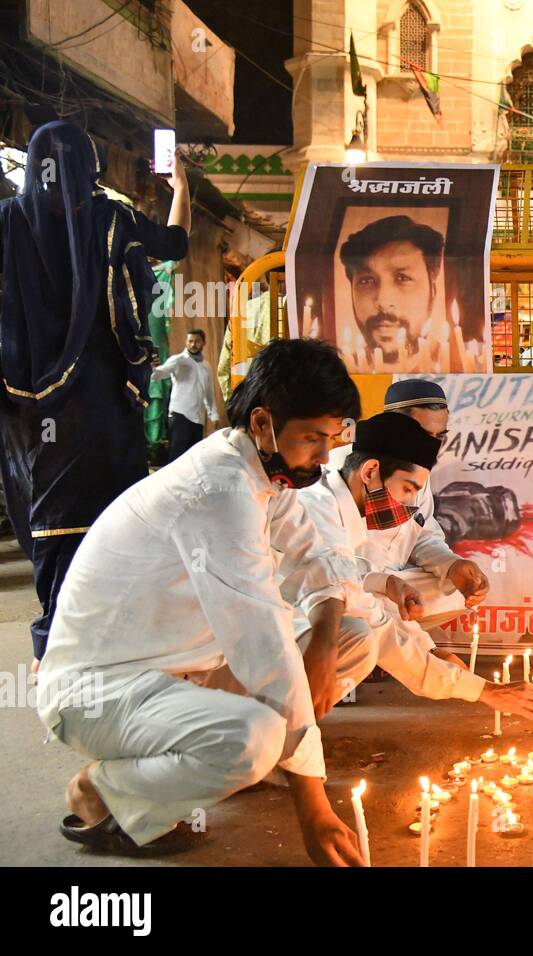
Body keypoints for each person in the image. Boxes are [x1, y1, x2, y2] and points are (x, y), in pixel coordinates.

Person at [36, 338, 369, 865]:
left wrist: (324, 644)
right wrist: (314, 807)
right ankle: (104, 791)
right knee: (253, 740)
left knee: (351, 637)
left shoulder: (265, 473)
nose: (325, 457)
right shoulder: (220, 490)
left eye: (333, 438)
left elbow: (317, 560)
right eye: (312, 438)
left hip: (182, 672)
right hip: (101, 691)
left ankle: (200, 769)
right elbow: (263, 644)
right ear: (263, 423)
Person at [0, 121, 190, 662]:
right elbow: (173, 244)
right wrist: (181, 191)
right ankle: (110, 639)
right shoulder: (111, 216)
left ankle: (54, 646)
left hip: (26, 406)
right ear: (91, 166)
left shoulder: (7, 221)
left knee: (48, 515)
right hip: (102, 398)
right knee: (113, 515)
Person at [305, 412, 533, 715]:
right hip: (267, 635)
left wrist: (393, 590)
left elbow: (357, 579)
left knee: (370, 617)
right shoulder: (318, 510)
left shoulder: (345, 500)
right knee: (360, 637)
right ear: (370, 471)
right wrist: (483, 691)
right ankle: (287, 726)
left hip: (323, 607)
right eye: (406, 489)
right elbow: (375, 622)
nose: (407, 505)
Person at [330, 379, 490, 615]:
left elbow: (421, 534)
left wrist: (452, 565)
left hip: (394, 583)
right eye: (423, 434)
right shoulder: (338, 473)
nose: (430, 446)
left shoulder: (414, 472)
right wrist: (384, 583)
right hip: (351, 583)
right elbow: (326, 567)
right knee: (357, 603)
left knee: (456, 590)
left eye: (439, 436)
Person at [339, 215, 444, 368]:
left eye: (402, 278)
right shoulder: (337, 370)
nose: (383, 301)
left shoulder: (465, 365)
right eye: (366, 281)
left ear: (432, 292)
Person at [151, 327, 218, 462]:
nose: (193, 344)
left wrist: (213, 414)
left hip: (198, 419)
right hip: (180, 415)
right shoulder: (178, 360)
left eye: (197, 341)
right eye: (190, 341)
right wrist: (150, 367)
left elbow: (208, 393)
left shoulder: (206, 366)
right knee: (177, 457)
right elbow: (159, 374)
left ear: (204, 343)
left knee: (193, 460)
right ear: (186, 342)